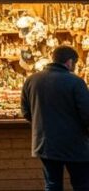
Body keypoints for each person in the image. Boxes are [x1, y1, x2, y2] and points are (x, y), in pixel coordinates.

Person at [21, 46, 89, 191]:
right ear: (70, 62)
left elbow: (26, 112)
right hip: (74, 144)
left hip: (45, 144)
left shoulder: (31, 80)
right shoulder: (76, 82)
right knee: (82, 184)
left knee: (52, 185)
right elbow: (87, 115)